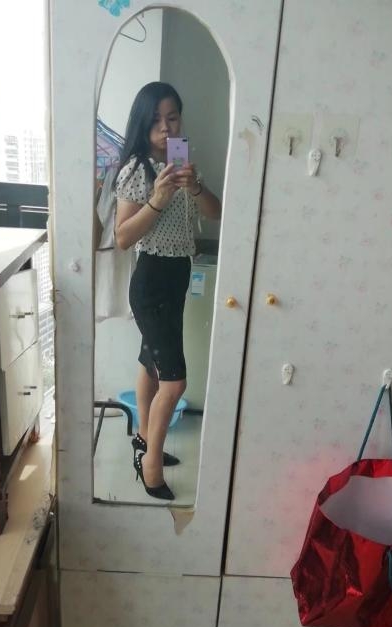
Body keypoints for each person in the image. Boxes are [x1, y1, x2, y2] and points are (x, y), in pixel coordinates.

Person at [114, 81, 221, 500]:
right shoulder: (137, 170)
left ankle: (144, 440)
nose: (165, 127)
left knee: (151, 365)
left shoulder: (183, 166)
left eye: (172, 118)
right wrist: (158, 198)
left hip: (177, 276)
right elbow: (124, 237)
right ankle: (151, 467)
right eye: (156, 120)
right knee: (174, 384)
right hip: (152, 280)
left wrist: (194, 187)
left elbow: (215, 213)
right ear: (143, 125)